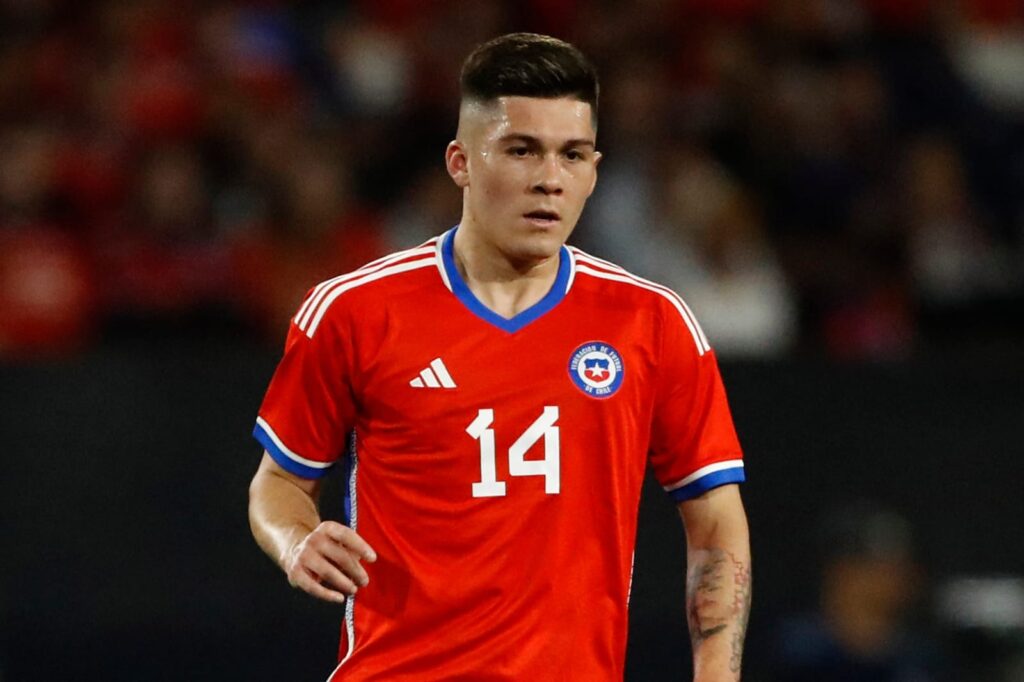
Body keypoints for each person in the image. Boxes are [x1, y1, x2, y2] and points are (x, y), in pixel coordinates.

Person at [248, 32, 751, 681]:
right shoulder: (354, 312)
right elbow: (278, 481)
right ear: (460, 162)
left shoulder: (651, 323)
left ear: (594, 170)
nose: (549, 179)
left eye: (573, 155)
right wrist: (297, 540)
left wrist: (717, 674)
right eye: (522, 150)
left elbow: (715, 522)